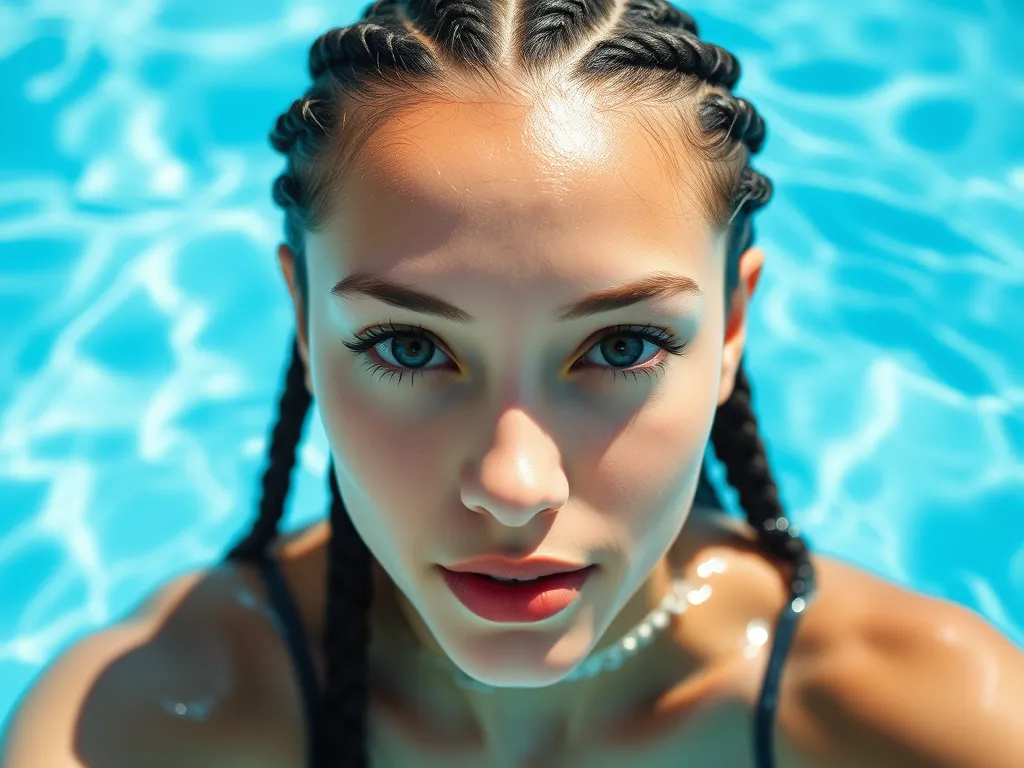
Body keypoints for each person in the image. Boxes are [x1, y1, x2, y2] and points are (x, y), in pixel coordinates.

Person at [3, 1, 1023, 766]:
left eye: (620, 346)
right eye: (409, 346)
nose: (514, 481)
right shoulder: (142, 726)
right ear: (304, 324)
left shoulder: (932, 718)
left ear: (733, 329)